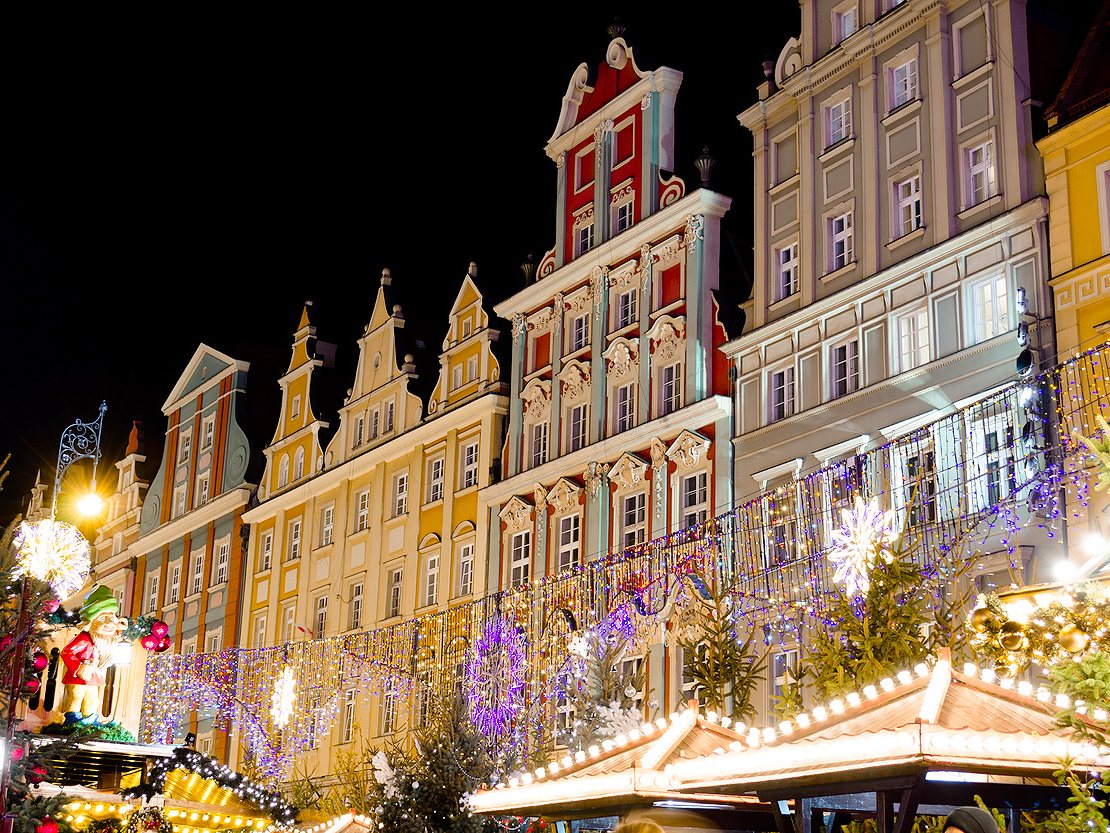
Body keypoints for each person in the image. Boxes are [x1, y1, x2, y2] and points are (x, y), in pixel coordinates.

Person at [58, 585, 128, 724]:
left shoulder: (102, 638)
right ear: (90, 622)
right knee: (76, 697)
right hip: (79, 674)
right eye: (102, 619)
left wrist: (118, 629)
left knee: (92, 699)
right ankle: (72, 722)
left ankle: (88, 721)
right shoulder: (84, 639)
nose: (109, 624)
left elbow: (108, 640)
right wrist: (79, 667)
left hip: (94, 673)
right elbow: (67, 652)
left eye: (112, 619)